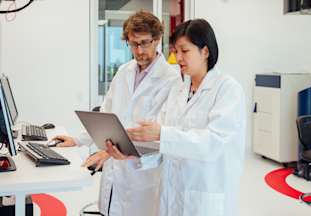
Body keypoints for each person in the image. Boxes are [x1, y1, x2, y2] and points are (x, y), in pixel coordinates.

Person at [108, 19, 246, 216]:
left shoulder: (227, 90)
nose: (178, 57)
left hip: (204, 195)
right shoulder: (179, 90)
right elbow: (164, 147)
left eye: (184, 51)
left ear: (205, 51)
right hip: (172, 194)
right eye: (175, 51)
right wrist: (133, 157)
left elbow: (213, 143)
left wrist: (162, 133)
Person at [53, 11, 179, 216]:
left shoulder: (171, 80)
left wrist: (108, 151)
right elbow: (106, 115)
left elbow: (156, 133)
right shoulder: (124, 71)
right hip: (115, 170)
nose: (138, 50)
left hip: (143, 175)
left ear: (157, 40)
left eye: (144, 43)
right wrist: (77, 140)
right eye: (133, 44)